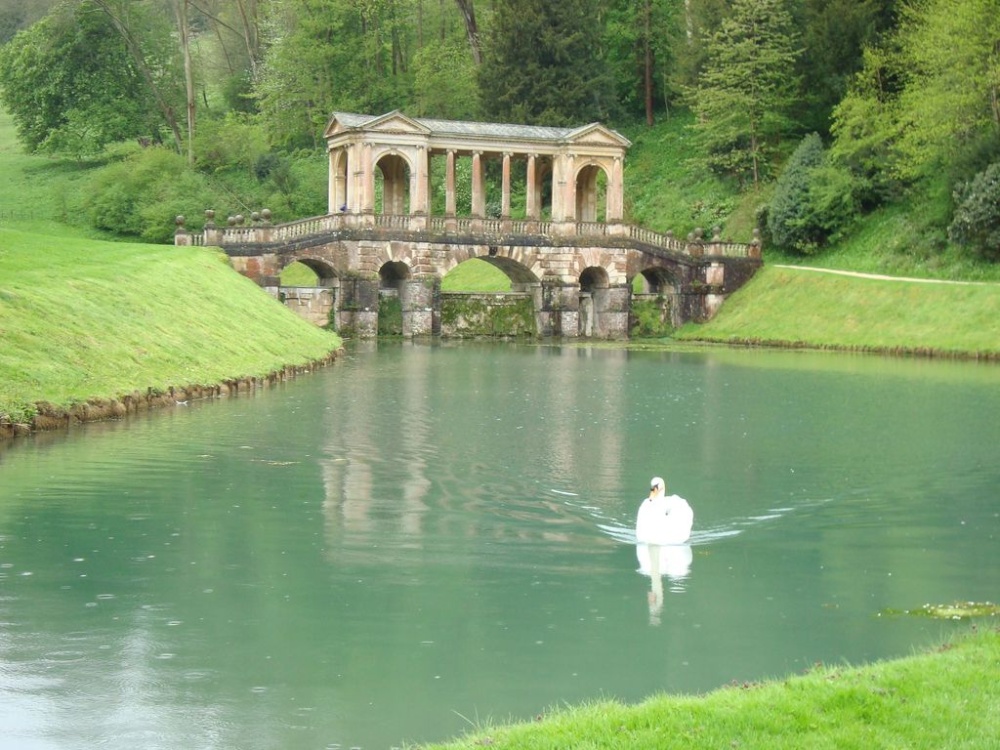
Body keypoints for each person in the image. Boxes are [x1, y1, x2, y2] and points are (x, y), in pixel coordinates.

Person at [635, 476, 693, 546]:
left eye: (656, 486)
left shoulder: (676, 538)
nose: (654, 489)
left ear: (662, 485)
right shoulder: (642, 537)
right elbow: (651, 499)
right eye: (653, 487)